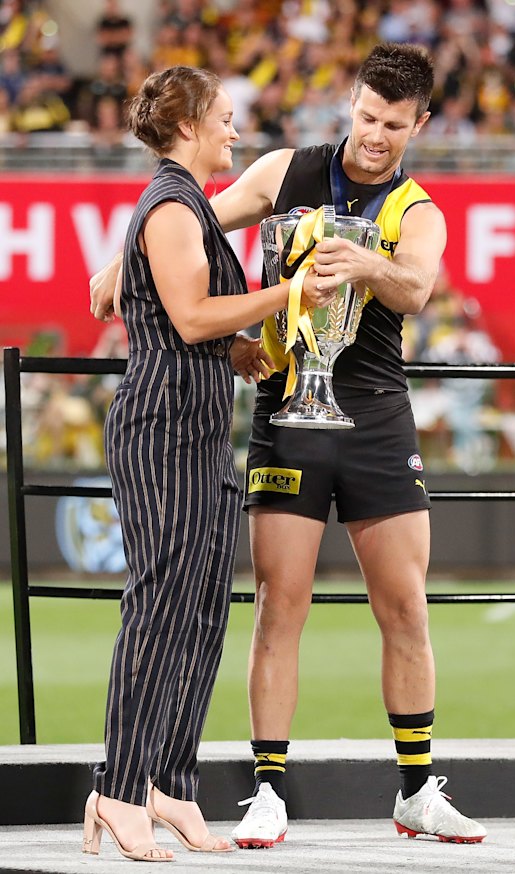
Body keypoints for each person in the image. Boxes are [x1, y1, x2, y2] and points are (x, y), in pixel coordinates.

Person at [89, 43, 487, 847]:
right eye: (367, 117)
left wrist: (366, 262)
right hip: (285, 410)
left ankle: (416, 788)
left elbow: (415, 287)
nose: (376, 136)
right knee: (278, 605)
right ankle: (267, 788)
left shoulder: (419, 208)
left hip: (375, 416)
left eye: (394, 125)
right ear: (351, 102)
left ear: (421, 123)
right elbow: (194, 220)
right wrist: (116, 267)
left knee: (405, 605)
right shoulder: (283, 170)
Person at [82, 64, 331, 863]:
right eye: (224, 117)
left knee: (199, 615)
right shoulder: (168, 203)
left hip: (196, 426)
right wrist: (288, 293)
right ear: (187, 124)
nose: (234, 130)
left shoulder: (188, 206)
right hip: (162, 428)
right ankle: (118, 790)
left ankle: (169, 785)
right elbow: (189, 316)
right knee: (159, 610)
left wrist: (254, 351)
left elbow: (207, 332)